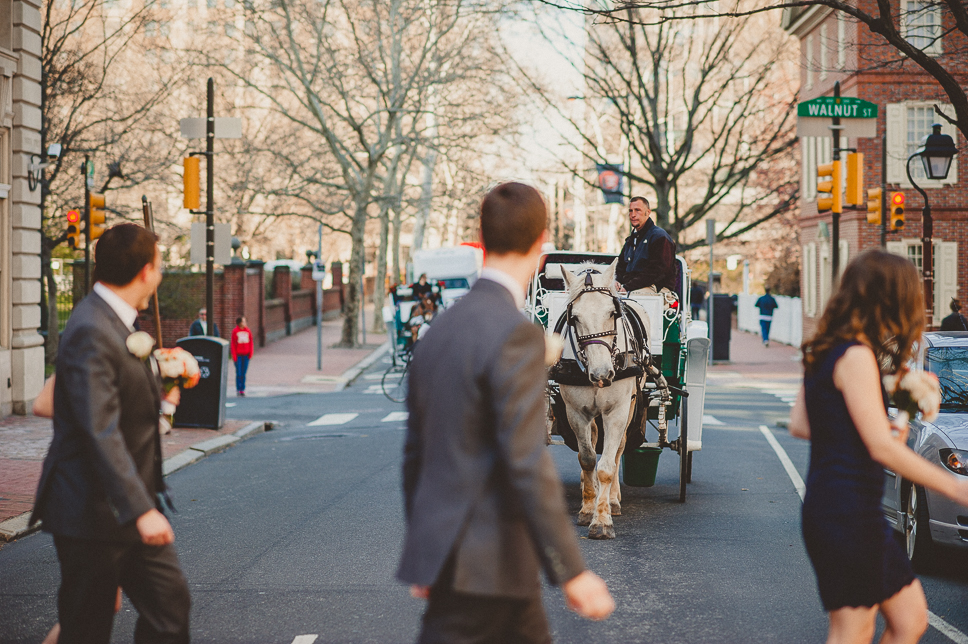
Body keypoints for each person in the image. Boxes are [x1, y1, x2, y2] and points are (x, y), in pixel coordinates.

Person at [398, 181, 614, 643]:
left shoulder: (439, 331)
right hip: (492, 570)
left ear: (482, 237)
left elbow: (417, 453)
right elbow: (525, 461)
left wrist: (425, 553)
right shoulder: (516, 335)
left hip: (454, 566)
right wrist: (573, 572)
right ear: (541, 243)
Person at [789, 249, 968, 644]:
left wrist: (879, 422)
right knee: (853, 631)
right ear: (891, 299)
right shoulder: (855, 355)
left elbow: (802, 424)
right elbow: (880, 449)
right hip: (846, 511)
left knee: (909, 619)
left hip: (850, 509)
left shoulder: (824, 348)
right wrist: (956, 487)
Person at [31, 223, 191, 644]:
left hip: (123, 506)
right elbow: (98, 428)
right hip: (92, 511)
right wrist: (141, 510)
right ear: (144, 272)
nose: (160, 275)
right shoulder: (90, 328)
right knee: (86, 629)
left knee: (169, 608)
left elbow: (121, 394)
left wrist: (169, 371)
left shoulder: (118, 323)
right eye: (159, 266)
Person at [615, 196, 677, 294]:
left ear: (648, 213)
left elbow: (657, 271)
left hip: (656, 289)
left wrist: (627, 287)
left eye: (637, 210)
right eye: (630, 211)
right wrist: (616, 281)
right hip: (630, 287)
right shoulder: (630, 241)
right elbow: (620, 266)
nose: (633, 215)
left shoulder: (659, 237)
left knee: (631, 301)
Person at [230, 316, 254, 397]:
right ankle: (238, 388)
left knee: (244, 373)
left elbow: (251, 342)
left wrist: (250, 353)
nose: (245, 323)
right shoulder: (235, 331)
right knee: (239, 372)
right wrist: (234, 355)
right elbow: (233, 344)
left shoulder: (248, 331)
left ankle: (242, 389)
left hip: (246, 355)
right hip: (238, 355)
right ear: (240, 323)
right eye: (243, 321)